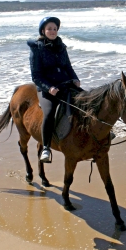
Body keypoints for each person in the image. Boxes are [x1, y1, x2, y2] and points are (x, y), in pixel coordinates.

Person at [27, 16, 80, 163]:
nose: (52, 31)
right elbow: (36, 76)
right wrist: (49, 88)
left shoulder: (61, 46)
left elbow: (68, 67)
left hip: (65, 84)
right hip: (47, 89)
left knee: (87, 100)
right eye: (49, 28)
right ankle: (46, 148)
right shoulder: (36, 48)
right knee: (49, 113)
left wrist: (75, 79)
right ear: (43, 30)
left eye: (55, 29)